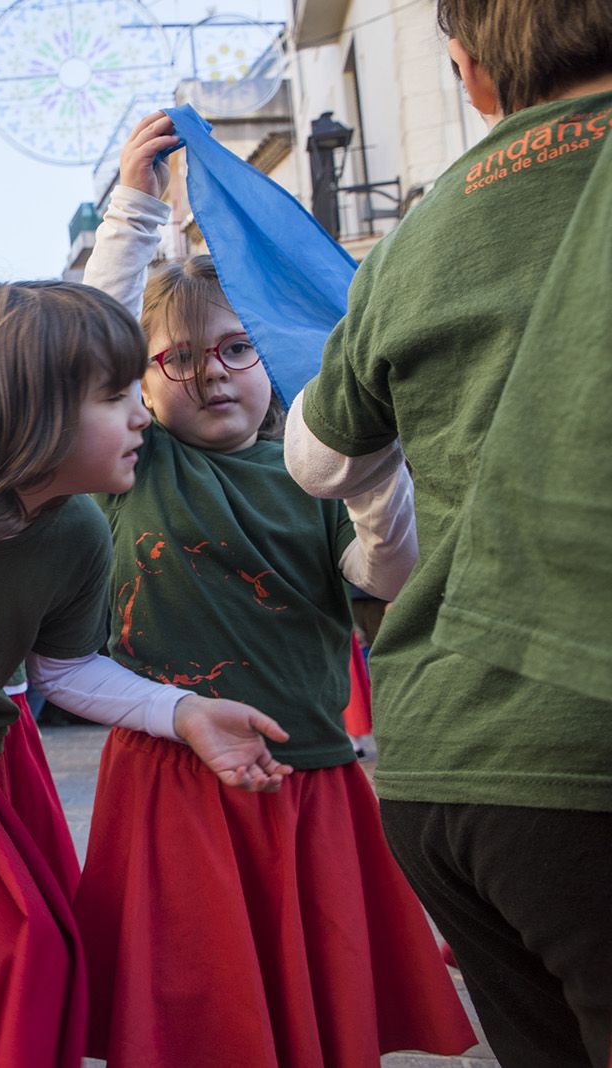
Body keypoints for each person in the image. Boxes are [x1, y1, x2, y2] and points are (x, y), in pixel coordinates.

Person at [71, 108, 474, 1066]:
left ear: (274, 358)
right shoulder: (138, 463)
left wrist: (379, 488)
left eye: (236, 349)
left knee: (316, 1013)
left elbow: (388, 578)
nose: (211, 374)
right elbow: (81, 346)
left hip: (309, 777)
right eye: (176, 359)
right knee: (198, 1010)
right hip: (174, 772)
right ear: (144, 383)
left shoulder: (317, 466)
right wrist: (131, 206)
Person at [0, 279, 293, 1067]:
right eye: (114, 396)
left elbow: (65, 670)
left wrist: (183, 713)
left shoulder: (78, 533)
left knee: (43, 964)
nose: (142, 414)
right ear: (24, 413)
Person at [285, 4, 612, 1064]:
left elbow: (320, 457)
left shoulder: (417, 243)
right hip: (579, 745)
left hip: (442, 762)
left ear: (470, 77)